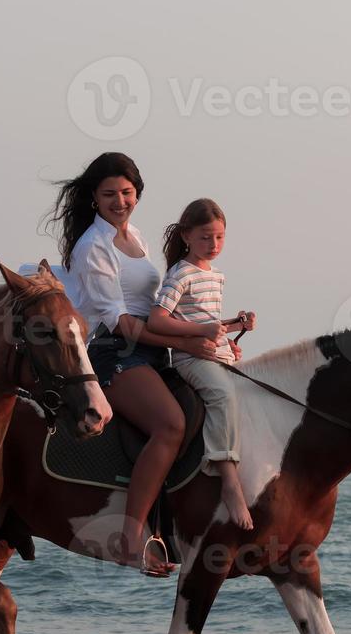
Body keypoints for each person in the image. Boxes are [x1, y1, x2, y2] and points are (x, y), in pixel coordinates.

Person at [47, 153, 215, 576]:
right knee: (171, 424)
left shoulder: (136, 236)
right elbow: (120, 324)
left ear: (137, 192)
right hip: (114, 352)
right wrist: (191, 342)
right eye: (109, 195)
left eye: (126, 192)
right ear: (94, 199)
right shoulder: (93, 247)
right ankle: (132, 536)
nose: (120, 201)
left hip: (154, 349)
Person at [146, 199, 257, 530]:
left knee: (253, 393)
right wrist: (204, 331)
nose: (214, 245)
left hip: (213, 351)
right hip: (188, 358)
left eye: (220, 237)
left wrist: (237, 326)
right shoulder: (180, 273)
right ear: (186, 236)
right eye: (206, 237)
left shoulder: (216, 276)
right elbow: (157, 321)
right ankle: (228, 480)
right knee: (222, 395)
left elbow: (209, 321)